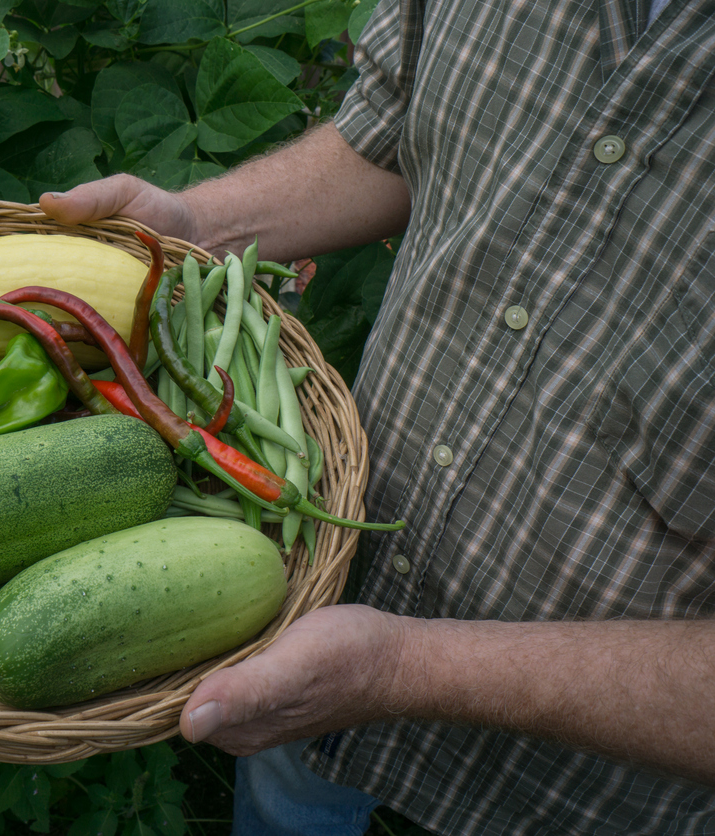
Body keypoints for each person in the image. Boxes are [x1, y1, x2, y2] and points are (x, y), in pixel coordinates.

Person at [39, 0, 715, 832]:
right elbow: (393, 127)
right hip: (318, 597)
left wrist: (400, 667)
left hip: (577, 792)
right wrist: (197, 228)